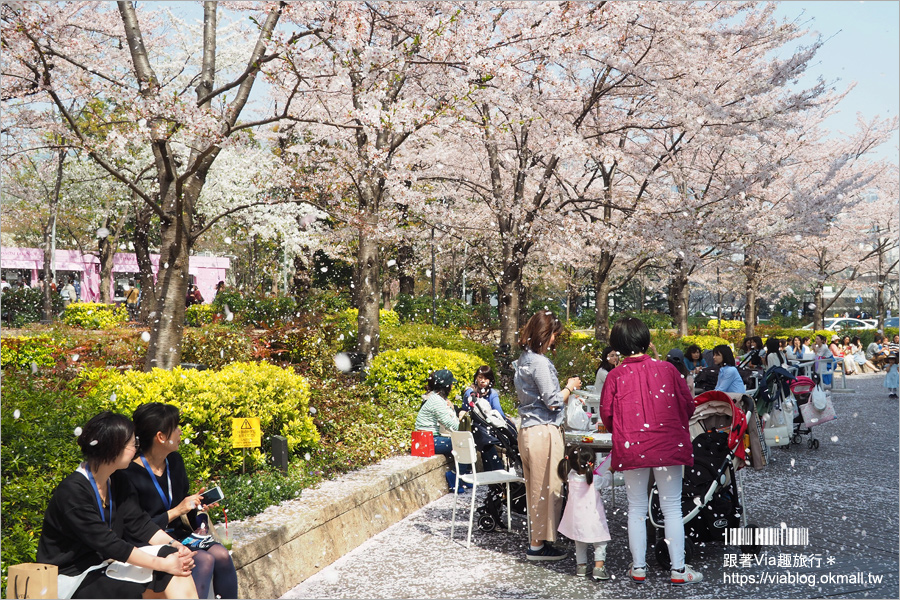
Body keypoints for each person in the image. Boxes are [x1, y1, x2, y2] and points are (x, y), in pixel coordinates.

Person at [36, 411, 198, 599]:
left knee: (175, 560)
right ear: (113, 448)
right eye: (132, 445)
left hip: (106, 564)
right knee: (148, 580)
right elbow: (109, 545)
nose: (137, 449)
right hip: (72, 576)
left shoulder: (118, 480)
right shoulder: (73, 492)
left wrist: (177, 546)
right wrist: (163, 564)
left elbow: (141, 525)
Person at [599, 317, 701, 584]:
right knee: (671, 508)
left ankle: (638, 568)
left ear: (618, 345)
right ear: (646, 339)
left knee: (635, 507)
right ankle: (678, 569)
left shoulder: (615, 376)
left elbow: (607, 417)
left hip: (633, 447)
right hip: (668, 445)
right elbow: (688, 407)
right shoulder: (668, 370)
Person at [124, 403, 238, 599]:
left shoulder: (174, 461)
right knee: (203, 560)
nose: (180, 431)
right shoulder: (129, 475)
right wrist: (177, 510)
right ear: (161, 437)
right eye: (175, 427)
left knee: (221, 555)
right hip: (148, 541)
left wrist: (197, 509)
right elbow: (137, 527)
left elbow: (183, 503)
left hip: (180, 535)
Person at [513, 310, 581, 562]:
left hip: (530, 430)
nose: (554, 340)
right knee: (547, 488)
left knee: (537, 488)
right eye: (553, 335)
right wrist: (570, 387)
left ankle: (538, 541)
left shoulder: (524, 360)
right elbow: (553, 402)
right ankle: (538, 546)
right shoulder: (539, 363)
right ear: (545, 334)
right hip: (543, 431)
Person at [557, 447, 612, 581]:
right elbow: (607, 481)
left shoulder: (570, 476)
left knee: (580, 542)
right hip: (593, 519)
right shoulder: (595, 479)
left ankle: (581, 567)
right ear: (591, 463)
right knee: (600, 543)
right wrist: (609, 471)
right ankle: (598, 568)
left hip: (576, 519)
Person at [460, 365, 505, 471]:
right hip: (474, 429)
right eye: (480, 377)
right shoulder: (470, 392)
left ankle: (493, 474)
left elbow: (499, 413)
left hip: (489, 428)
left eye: (486, 378)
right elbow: (465, 409)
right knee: (485, 440)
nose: (482, 381)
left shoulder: (492, 393)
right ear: (476, 378)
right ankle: (496, 472)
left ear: (490, 380)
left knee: (486, 440)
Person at [413, 369, 461, 458]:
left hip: (428, 438)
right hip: (427, 440)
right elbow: (448, 423)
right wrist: (462, 429)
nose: (452, 386)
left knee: (461, 442)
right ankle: (459, 471)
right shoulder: (436, 400)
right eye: (451, 384)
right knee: (461, 443)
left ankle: (463, 470)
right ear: (447, 386)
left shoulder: (436, 398)